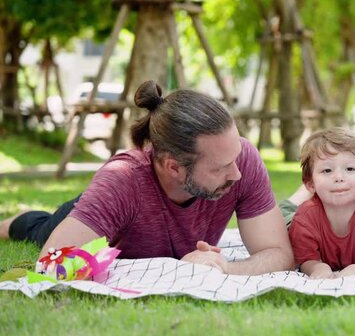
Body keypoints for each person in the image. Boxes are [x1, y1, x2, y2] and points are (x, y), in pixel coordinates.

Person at [0, 80, 294, 275]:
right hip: (94, 220)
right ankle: (12, 222)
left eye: (235, 156)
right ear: (173, 167)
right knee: (34, 228)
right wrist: (177, 267)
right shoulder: (122, 181)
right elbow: (54, 262)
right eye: (220, 168)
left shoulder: (241, 158)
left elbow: (279, 253)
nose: (237, 173)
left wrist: (223, 268)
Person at [288, 128, 355, 279]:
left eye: (350, 169)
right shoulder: (304, 218)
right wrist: (317, 268)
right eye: (327, 170)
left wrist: (354, 271)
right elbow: (307, 261)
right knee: (280, 218)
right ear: (310, 184)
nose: (339, 177)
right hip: (291, 217)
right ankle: (302, 193)